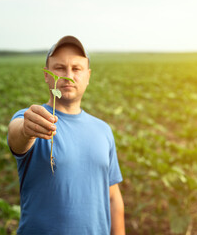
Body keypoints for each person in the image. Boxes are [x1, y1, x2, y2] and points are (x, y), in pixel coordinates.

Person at [7, 35, 125, 234]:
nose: (68, 76)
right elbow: (17, 136)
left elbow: (113, 197)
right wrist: (27, 129)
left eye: (76, 69)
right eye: (60, 68)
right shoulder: (34, 118)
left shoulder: (103, 130)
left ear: (88, 76)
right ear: (47, 75)